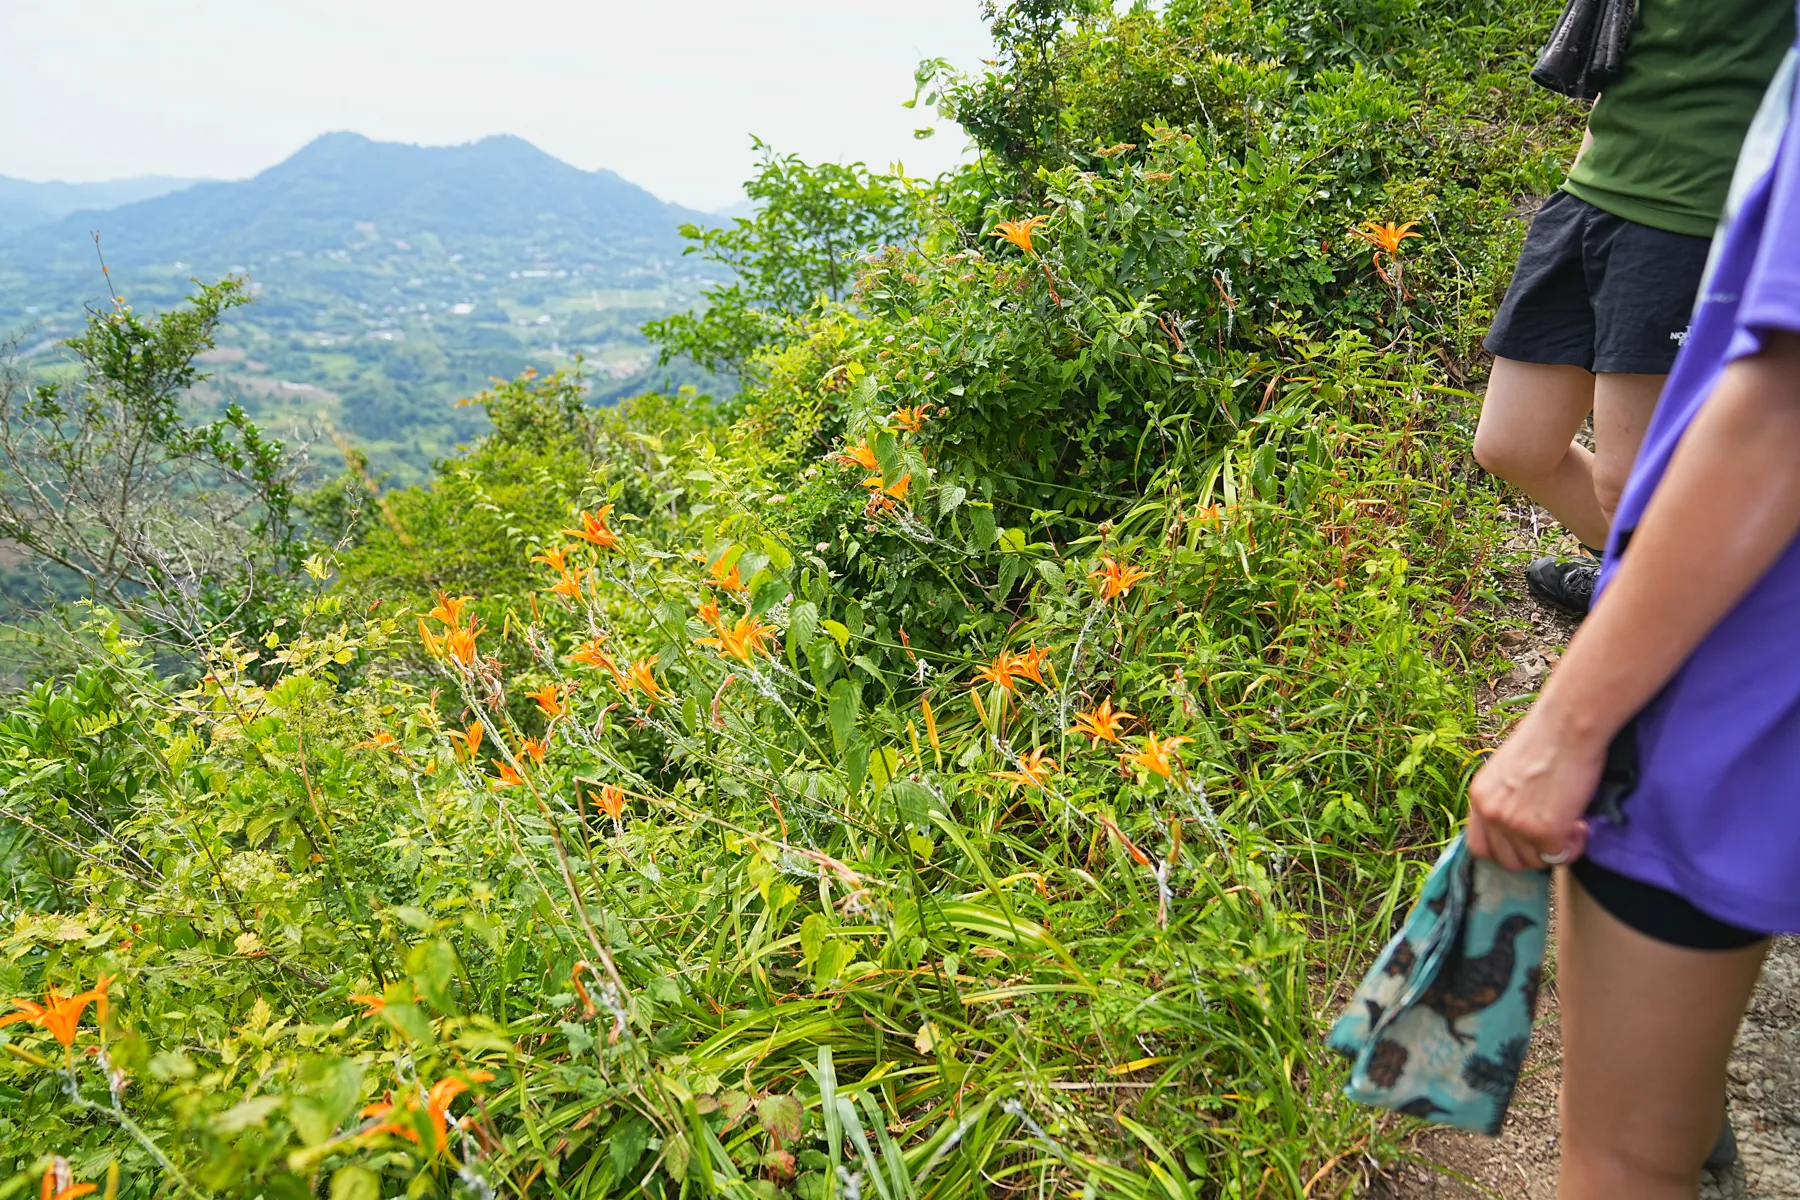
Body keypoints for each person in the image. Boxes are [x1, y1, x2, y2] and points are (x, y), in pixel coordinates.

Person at [1467, 34, 1800, 1199]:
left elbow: (1774, 426)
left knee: (1620, 1155)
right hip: (1612, 189)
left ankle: (1650, 589)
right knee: (1523, 444)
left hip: (1739, 681)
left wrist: (1565, 726)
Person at [1474, 0, 1794, 616]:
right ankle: (1651, 588)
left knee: (1628, 486)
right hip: (1591, 196)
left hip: (1691, 223)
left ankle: (1670, 631)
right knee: (1513, 443)